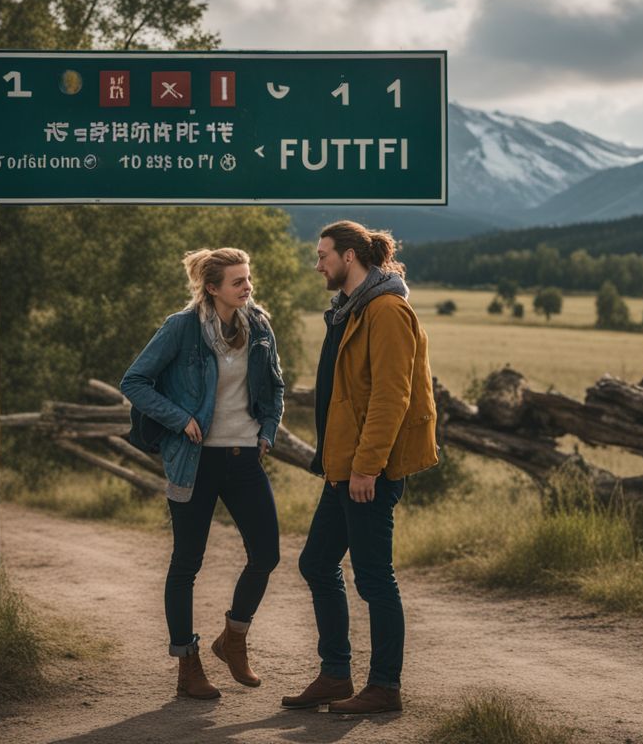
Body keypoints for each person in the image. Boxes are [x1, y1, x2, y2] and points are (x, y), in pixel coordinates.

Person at [281, 220, 439, 715]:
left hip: (369, 469)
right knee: (316, 563)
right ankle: (335, 675)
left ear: (350, 257)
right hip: (344, 466)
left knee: (373, 577)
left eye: (324, 254)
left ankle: (385, 686)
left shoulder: (387, 310)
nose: (318, 263)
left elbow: (393, 395)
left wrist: (368, 467)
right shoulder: (353, 309)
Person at [120, 247, 285, 700]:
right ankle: (187, 665)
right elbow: (133, 382)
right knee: (186, 564)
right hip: (195, 460)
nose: (247, 287)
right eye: (238, 281)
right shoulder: (181, 328)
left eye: (248, 278)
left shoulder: (260, 325)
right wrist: (178, 418)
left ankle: (232, 638)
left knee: (267, 553)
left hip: (245, 457)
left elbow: (275, 384)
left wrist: (268, 428)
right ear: (212, 288)